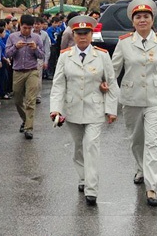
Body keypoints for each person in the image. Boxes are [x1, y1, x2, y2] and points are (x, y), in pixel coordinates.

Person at [111, 0, 157, 207]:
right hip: (131, 99)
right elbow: (113, 70)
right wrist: (105, 91)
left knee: (152, 141)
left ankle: (152, 187)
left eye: (146, 17)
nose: (142, 20)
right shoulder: (124, 42)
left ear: (152, 20)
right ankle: (140, 169)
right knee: (136, 140)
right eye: (138, 17)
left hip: (156, 99)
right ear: (133, 21)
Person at [50, 16, 119, 205]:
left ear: (91, 34)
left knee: (92, 146)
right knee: (79, 147)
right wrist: (55, 109)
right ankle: (82, 177)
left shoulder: (102, 55)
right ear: (73, 34)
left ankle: (91, 188)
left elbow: (111, 83)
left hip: (95, 108)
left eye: (86, 33)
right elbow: (58, 85)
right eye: (78, 34)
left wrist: (111, 110)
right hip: (72, 109)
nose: (82, 37)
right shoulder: (65, 56)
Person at [5, 15, 44, 139]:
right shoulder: (12, 37)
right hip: (17, 71)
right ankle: (25, 120)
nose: (26, 30)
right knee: (17, 99)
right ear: (20, 26)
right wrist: (16, 47)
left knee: (30, 100)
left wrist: (35, 48)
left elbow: (42, 55)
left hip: (32, 71)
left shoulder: (37, 38)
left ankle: (29, 128)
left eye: (29, 28)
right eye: (24, 27)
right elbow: (7, 53)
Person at [33, 17, 51, 104]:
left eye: (38, 24)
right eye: (35, 24)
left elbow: (47, 49)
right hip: (30, 59)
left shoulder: (45, 35)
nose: (36, 26)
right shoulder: (29, 33)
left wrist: (46, 61)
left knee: (38, 78)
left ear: (41, 25)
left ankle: (37, 96)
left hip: (39, 59)